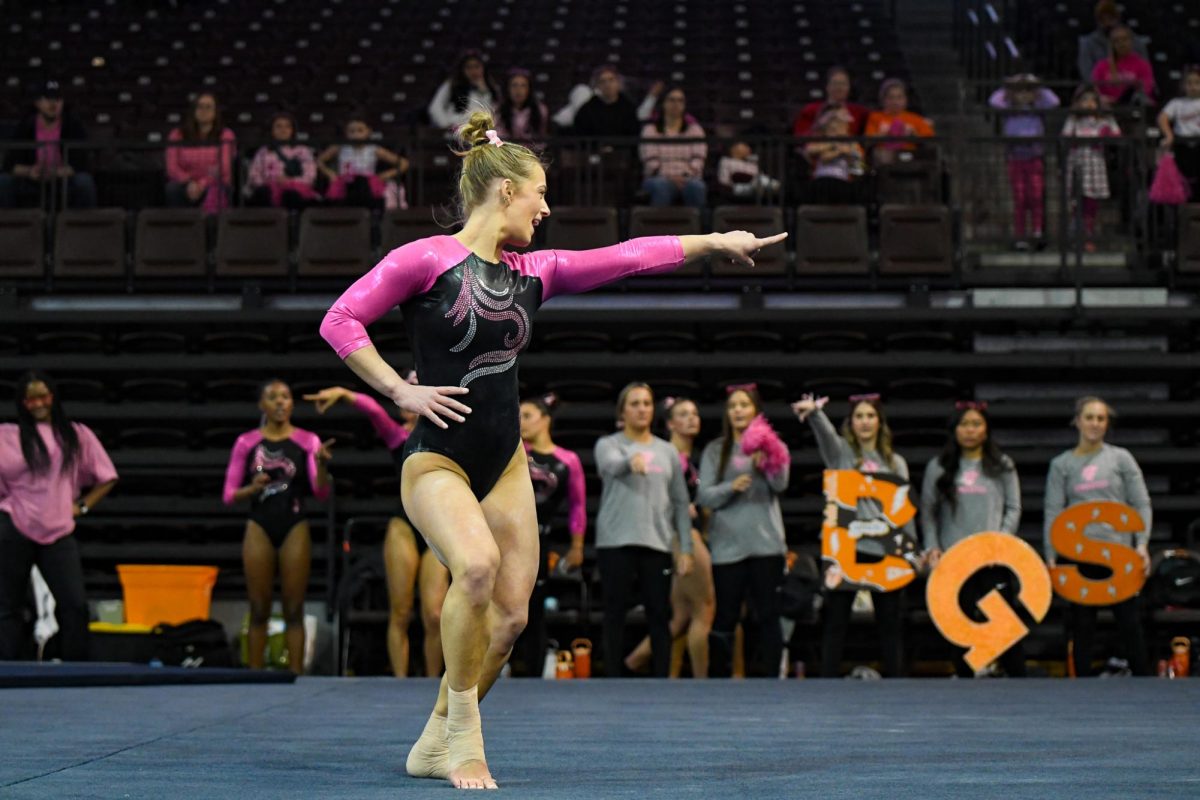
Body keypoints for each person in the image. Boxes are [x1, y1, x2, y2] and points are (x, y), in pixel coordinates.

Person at [318, 110, 780, 789]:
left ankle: (432, 737)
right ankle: (464, 744)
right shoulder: (424, 259)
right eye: (539, 192)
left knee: (509, 618)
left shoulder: (536, 271)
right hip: (437, 458)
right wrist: (398, 391)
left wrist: (713, 240)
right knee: (473, 567)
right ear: (505, 191)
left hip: (502, 459)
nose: (547, 206)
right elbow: (340, 318)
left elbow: (625, 256)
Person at [305, 380, 450, 678]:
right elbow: (373, 409)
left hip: (437, 526)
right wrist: (345, 393)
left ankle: (434, 681)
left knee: (435, 615)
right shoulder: (398, 437)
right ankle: (400, 680)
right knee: (400, 610)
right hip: (404, 526)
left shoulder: (446, 432)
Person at [791, 392, 912, 678]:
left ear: (880, 422)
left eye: (871, 416)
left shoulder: (896, 463)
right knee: (835, 621)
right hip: (845, 548)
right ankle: (829, 681)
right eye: (859, 416)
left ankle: (896, 682)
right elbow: (826, 436)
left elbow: (904, 510)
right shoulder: (841, 454)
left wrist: (909, 551)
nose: (865, 422)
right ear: (851, 422)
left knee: (889, 623)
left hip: (883, 549)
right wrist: (815, 414)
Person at [0, 371, 117, 661]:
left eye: (43, 395)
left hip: (58, 529)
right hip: (14, 525)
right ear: (22, 403)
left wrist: (83, 506)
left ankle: (75, 670)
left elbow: (107, 477)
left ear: (52, 397)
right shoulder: (6, 436)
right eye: (31, 399)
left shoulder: (75, 435)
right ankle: (7, 669)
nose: (37, 403)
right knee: (7, 607)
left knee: (74, 605)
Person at [222, 380, 332, 674]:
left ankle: (297, 677)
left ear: (292, 404)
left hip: (294, 523)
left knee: (294, 609)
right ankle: (255, 676)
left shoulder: (308, 441)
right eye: (273, 397)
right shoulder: (247, 442)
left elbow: (321, 493)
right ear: (262, 406)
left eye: (285, 396)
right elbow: (229, 495)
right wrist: (251, 488)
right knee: (259, 608)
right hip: (259, 523)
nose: (281, 402)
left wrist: (321, 465)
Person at [1044, 396, 1152, 678]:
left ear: (1107, 424)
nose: (1095, 423)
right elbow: (1054, 511)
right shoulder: (1061, 464)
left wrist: (1141, 545)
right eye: (1089, 417)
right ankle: (1081, 688)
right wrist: (1051, 555)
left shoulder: (1121, 458)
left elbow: (1141, 504)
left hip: (1119, 554)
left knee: (1130, 622)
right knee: (1081, 625)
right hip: (1080, 553)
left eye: (1101, 419)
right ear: (1077, 421)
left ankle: (1145, 684)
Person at [595, 383, 694, 681]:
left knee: (659, 615)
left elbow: (680, 501)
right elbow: (610, 465)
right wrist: (630, 461)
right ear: (623, 411)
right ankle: (612, 677)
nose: (641, 409)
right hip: (616, 541)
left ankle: (661, 680)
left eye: (647, 403)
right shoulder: (609, 445)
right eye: (635, 403)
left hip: (657, 543)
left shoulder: (667, 452)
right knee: (614, 614)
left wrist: (686, 547)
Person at [920, 402, 1023, 677]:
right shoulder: (938, 467)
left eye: (976, 424)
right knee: (959, 623)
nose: (970, 430)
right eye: (964, 424)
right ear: (954, 431)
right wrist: (932, 548)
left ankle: (1017, 680)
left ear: (986, 430)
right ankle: (964, 679)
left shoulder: (1002, 465)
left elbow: (1013, 508)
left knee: (1005, 622)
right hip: (955, 560)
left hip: (992, 558)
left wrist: (1002, 541)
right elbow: (928, 513)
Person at [697, 385, 790, 678]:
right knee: (726, 615)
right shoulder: (715, 450)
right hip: (728, 549)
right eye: (733, 405)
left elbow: (781, 486)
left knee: (768, 616)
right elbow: (705, 496)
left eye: (744, 405)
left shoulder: (775, 446)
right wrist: (730, 487)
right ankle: (719, 679)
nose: (738, 410)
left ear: (756, 411)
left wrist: (770, 466)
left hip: (766, 546)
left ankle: (771, 677)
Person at [624, 396, 716, 678]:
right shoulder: (669, 455)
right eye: (684, 414)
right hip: (681, 535)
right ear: (670, 423)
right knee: (705, 609)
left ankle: (629, 665)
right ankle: (702, 682)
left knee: (681, 618)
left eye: (695, 413)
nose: (692, 418)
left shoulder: (687, 456)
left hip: (684, 533)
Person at [516, 393, 586, 676]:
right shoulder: (513, 451)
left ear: (546, 420)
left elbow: (578, 505)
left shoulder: (567, 460)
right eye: (518, 415)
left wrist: (577, 546)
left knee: (533, 609)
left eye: (528, 415)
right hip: (507, 538)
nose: (521, 421)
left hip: (538, 540)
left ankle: (531, 670)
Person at [0, 80, 97, 209]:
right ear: (37, 102)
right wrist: (29, 172)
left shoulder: (73, 125)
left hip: (63, 180)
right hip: (31, 179)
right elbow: (10, 165)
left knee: (84, 182)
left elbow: (81, 164)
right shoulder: (25, 126)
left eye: (57, 99)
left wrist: (56, 173)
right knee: (4, 181)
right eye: (47, 99)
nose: (53, 103)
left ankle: (83, 227)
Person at [989, 74, 1060, 249]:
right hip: (1015, 157)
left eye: (1027, 91)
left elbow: (1054, 101)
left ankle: (1037, 231)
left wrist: (1037, 85)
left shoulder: (1038, 106)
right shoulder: (1008, 108)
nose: (1023, 95)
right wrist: (1009, 85)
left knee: (1035, 196)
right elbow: (993, 101)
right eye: (1019, 92)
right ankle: (1020, 235)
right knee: (1019, 197)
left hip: (1035, 156)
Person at [1063, 85, 1120, 250]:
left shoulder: (1103, 119)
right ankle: (1076, 237)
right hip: (1077, 163)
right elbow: (1065, 137)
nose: (1088, 104)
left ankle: (1088, 235)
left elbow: (1117, 134)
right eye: (1084, 100)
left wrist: (1106, 129)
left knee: (1091, 203)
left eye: (1092, 100)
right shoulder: (1073, 119)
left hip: (1095, 164)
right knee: (1076, 202)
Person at [165, 92, 237, 213]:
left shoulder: (226, 135)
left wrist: (202, 183)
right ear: (194, 110)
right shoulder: (177, 134)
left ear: (216, 112)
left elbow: (224, 167)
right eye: (200, 106)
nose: (204, 110)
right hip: (185, 183)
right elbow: (172, 167)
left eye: (208, 107)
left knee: (221, 191)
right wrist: (189, 182)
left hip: (214, 183)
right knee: (172, 189)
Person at [317, 113, 407, 209]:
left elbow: (403, 163)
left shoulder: (374, 149)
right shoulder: (340, 147)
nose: (356, 134)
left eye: (360, 130)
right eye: (352, 131)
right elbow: (319, 160)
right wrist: (330, 173)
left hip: (368, 183)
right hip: (344, 183)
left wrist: (386, 175)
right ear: (346, 133)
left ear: (368, 131)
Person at [639, 86, 708, 208]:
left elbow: (699, 158)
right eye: (671, 100)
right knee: (661, 186)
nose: (676, 104)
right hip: (658, 177)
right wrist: (670, 177)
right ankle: (658, 225)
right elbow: (650, 160)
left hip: (688, 178)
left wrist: (684, 176)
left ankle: (699, 226)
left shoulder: (695, 129)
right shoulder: (650, 130)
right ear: (663, 103)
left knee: (697, 187)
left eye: (680, 100)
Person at [245, 112, 322, 209]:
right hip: (268, 189)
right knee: (263, 193)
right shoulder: (263, 151)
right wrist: (271, 183)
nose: (283, 130)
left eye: (287, 127)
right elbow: (254, 175)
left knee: (290, 195)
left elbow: (310, 176)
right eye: (278, 127)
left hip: (294, 189)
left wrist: (290, 181)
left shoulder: (303, 151)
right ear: (272, 131)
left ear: (292, 130)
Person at [801, 108, 867, 205]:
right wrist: (835, 147)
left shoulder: (852, 143)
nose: (836, 130)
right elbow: (812, 152)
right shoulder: (820, 141)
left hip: (843, 181)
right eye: (832, 128)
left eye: (841, 125)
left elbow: (859, 167)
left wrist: (849, 154)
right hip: (821, 180)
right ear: (826, 129)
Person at [864, 79, 935, 166]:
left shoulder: (916, 119)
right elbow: (867, 141)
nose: (895, 102)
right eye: (891, 98)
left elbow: (930, 141)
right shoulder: (875, 117)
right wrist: (884, 134)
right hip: (884, 162)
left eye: (899, 97)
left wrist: (914, 135)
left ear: (905, 99)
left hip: (911, 160)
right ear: (883, 100)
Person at [428, 50, 500, 132]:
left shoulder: (491, 88)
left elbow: (494, 113)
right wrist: (446, 125)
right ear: (462, 70)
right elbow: (435, 107)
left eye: (476, 67)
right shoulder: (452, 84)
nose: (473, 71)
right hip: (456, 130)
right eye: (469, 67)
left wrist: (483, 91)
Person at [1077, 0, 1149, 83]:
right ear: (1098, 21)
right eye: (1103, 19)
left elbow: (1146, 74)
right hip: (1100, 89)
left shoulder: (1136, 42)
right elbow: (1088, 75)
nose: (1107, 23)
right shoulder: (1087, 43)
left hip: (1131, 88)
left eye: (1110, 18)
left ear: (1117, 18)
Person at [1157, 66, 1200, 199]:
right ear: (1184, 85)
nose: (1193, 86)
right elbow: (1162, 117)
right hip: (1181, 146)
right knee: (1182, 179)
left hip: (1199, 144)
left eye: (1197, 83)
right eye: (1189, 83)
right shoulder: (1177, 103)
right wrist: (1169, 135)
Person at [791, 66, 869, 137]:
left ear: (849, 88)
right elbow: (800, 137)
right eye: (835, 83)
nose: (839, 87)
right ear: (827, 87)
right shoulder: (810, 110)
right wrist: (819, 124)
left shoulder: (859, 112)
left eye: (844, 84)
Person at [571, 64, 643, 139]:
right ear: (597, 85)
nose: (607, 85)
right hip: (595, 150)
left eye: (611, 80)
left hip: (622, 150)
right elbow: (581, 135)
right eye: (602, 81)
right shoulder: (587, 110)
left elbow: (633, 135)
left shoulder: (629, 108)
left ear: (618, 83)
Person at [1090, 25, 1156, 106]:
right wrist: (1102, 98)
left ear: (1131, 41)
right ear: (1112, 44)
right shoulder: (1101, 66)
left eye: (1124, 39)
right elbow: (1095, 88)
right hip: (1108, 107)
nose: (1121, 43)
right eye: (1116, 41)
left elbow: (1147, 88)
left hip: (1133, 106)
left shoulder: (1142, 64)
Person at [494, 68, 549, 146]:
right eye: (514, 85)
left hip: (531, 154)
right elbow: (498, 138)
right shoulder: (498, 110)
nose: (518, 90)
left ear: (529, 89)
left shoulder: (540, 110)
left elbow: (541, 140)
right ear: (508, 89)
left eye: (523, 86)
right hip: (506, 153)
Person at [717, 139, 781, 203]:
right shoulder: (726, 161)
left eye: (747, 148)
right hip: (736, 187)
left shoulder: (751, 161)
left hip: (756, 183)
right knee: (756, 183)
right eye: (744, 147)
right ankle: (771, 186)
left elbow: (759, 174)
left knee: (759, 180)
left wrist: (753, 163)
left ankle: (770, 187)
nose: (748, 149)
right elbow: (723, 180)